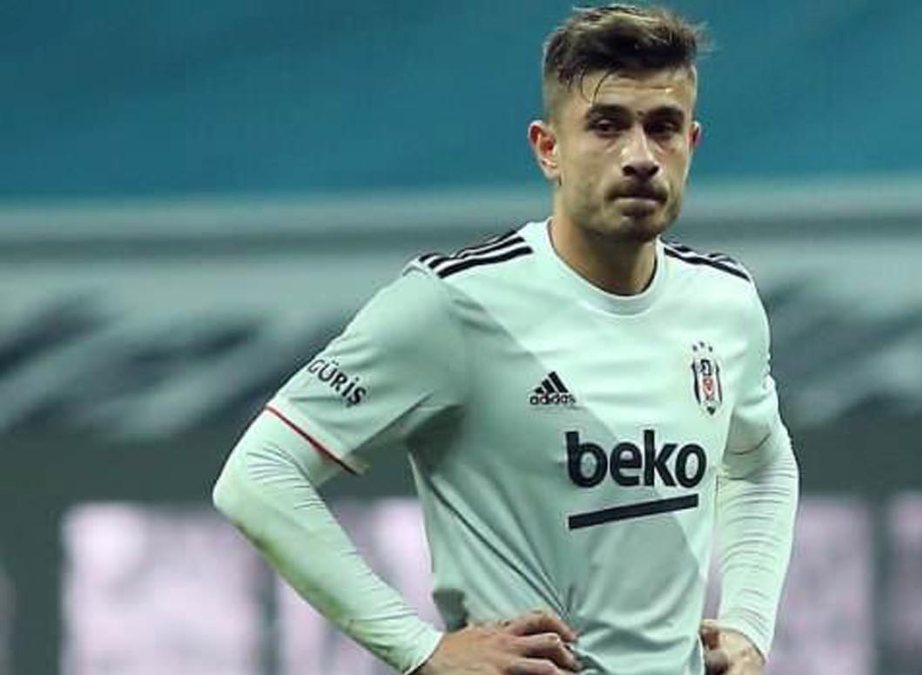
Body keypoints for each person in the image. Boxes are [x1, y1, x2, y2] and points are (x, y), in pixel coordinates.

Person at [212, 4, 800, 674]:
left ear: (691, 143)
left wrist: (750, 622)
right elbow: (257, 476)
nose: (640, 156)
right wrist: (420, 648)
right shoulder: (453, 303)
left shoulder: (725, 303)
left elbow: (763, 464)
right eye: (606, 125)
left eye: (662, 127)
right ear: (548, 148)